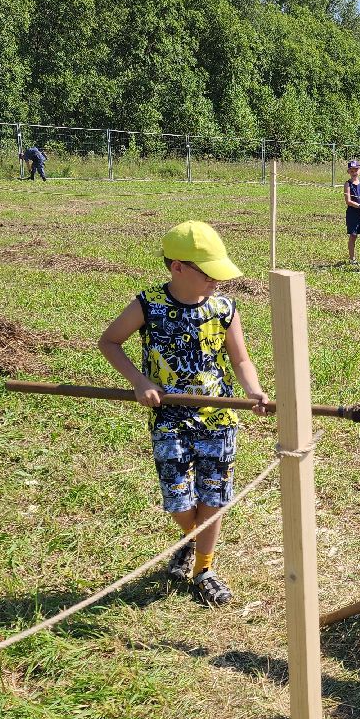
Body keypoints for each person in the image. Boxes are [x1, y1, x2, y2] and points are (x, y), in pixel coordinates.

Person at [98, 220, 269, 607]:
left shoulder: (224, 307)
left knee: (215, 494)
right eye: (208, 273)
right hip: (169, 419)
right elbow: (109, 342)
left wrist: (254, 390)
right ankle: (191, 539)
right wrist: (139, 382)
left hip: (218, 418)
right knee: (178, 499)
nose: (216, 282)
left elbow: (240, 359)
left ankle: (204, 567)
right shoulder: (149, 304)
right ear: (178, 267)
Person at [343, 159, 360, 263]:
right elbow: (348, 201)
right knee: (353, 235)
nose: (354, 172)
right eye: (352, 170)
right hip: (352, 214)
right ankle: (352, 258)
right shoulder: (347, 184)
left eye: (356, 170)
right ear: (348, 172)